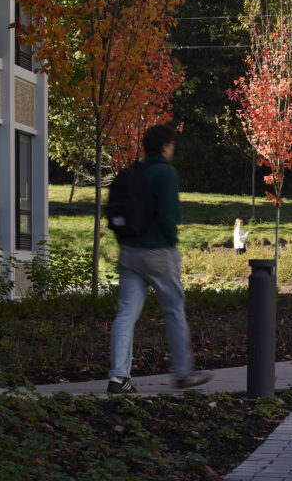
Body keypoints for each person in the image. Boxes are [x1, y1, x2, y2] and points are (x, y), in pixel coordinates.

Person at [106, 123, 212, 395]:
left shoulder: (132, 172)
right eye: (172, 144)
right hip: (158, 252)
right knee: (174, 310)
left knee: (126, 314)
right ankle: (183, 374)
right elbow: (168, 215)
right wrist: (172, 244)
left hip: (129, 251)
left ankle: (118, 378)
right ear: (166, 145)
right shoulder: (165, 172)